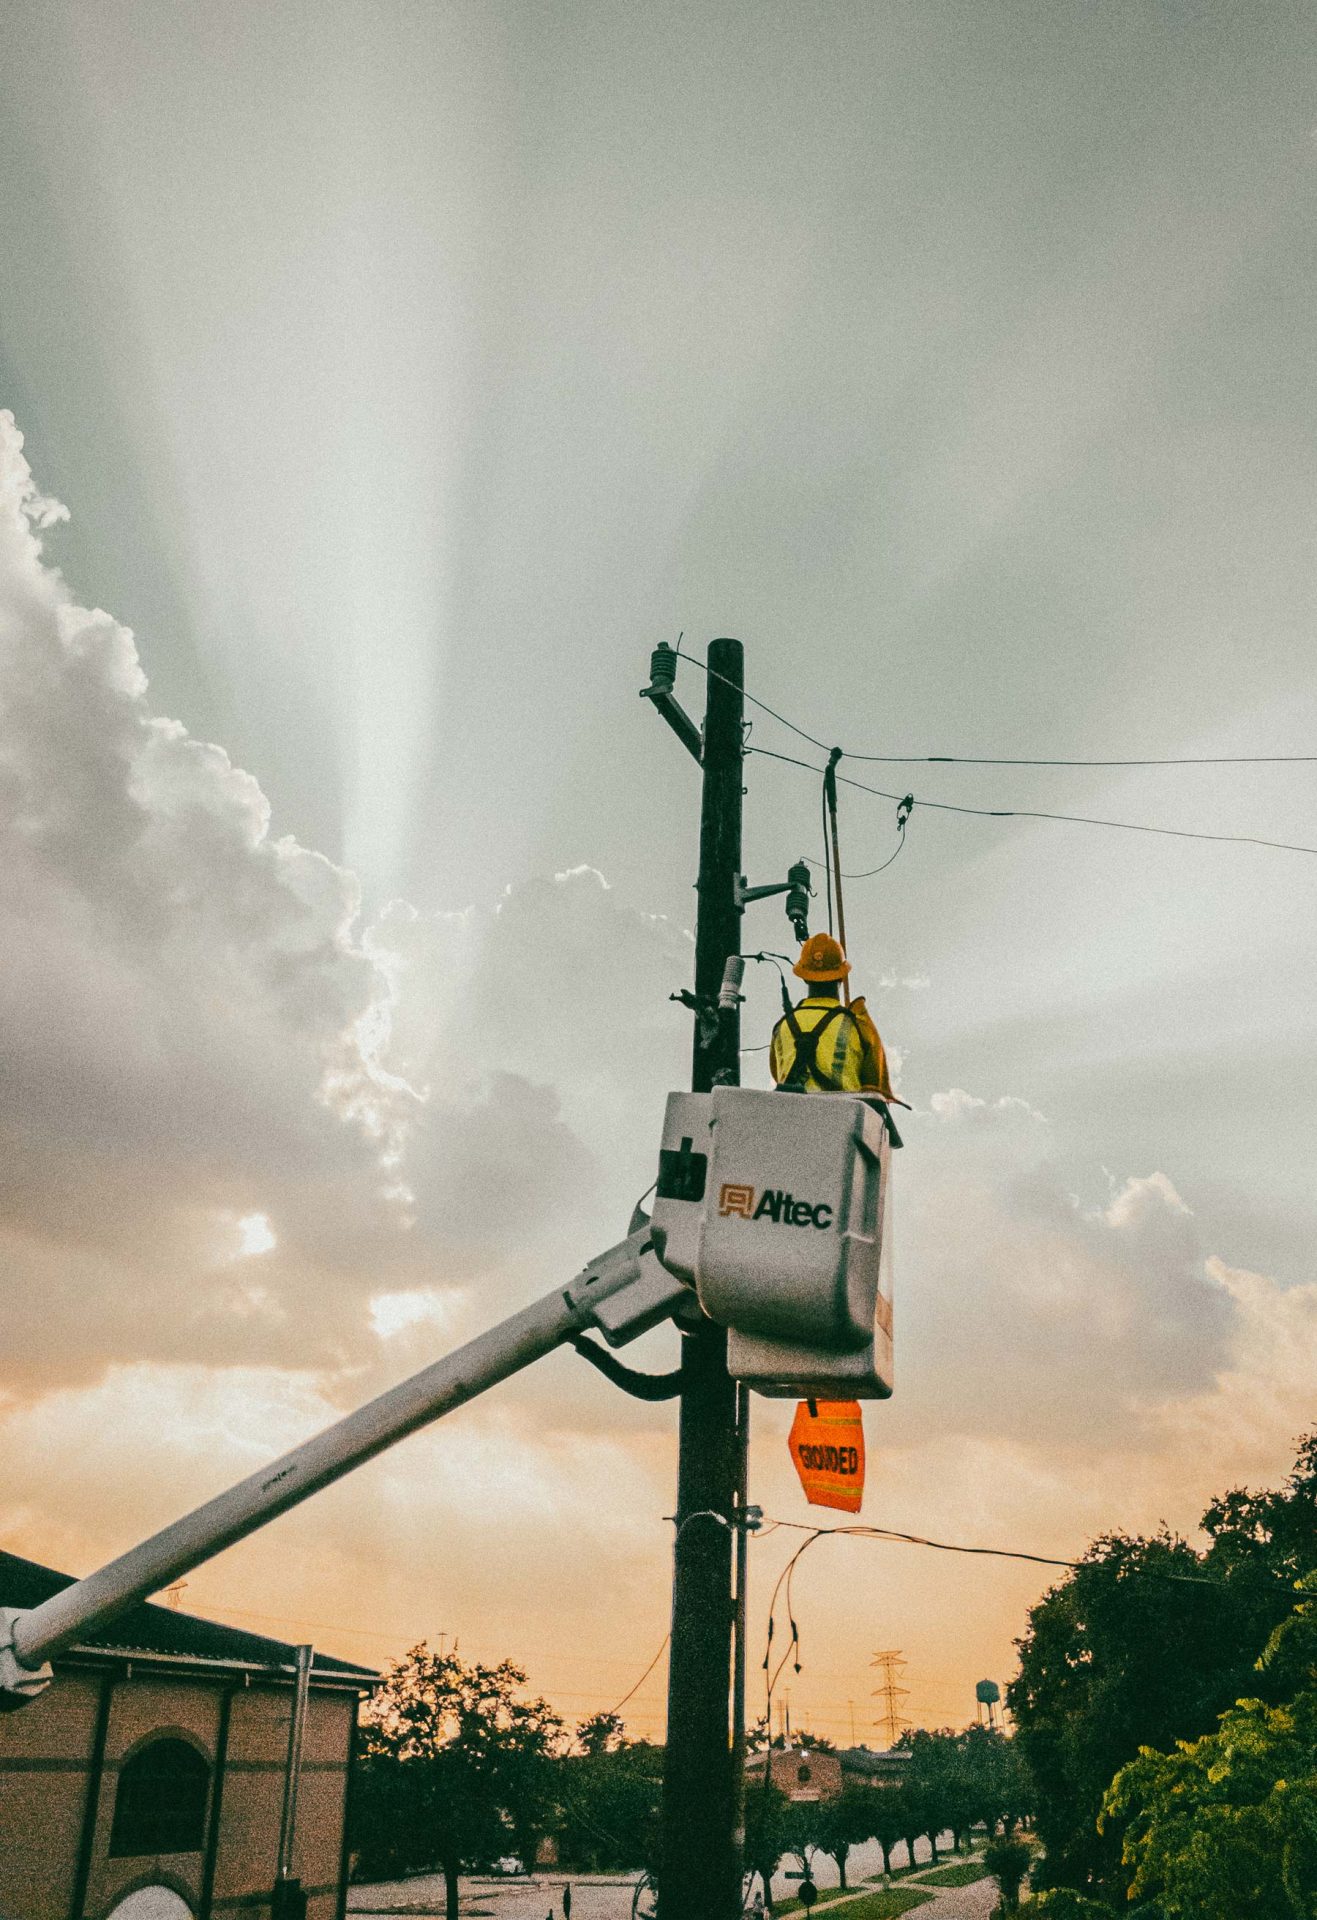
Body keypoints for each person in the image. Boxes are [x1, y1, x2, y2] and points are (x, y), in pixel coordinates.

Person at [770, 933, 895, 1098]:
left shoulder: (781, 1026)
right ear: (842, 976)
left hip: (789, 1119)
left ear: (805, 978)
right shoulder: (858, 1025)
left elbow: (777, 1075)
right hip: (844, 1119)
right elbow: (875, 1090)